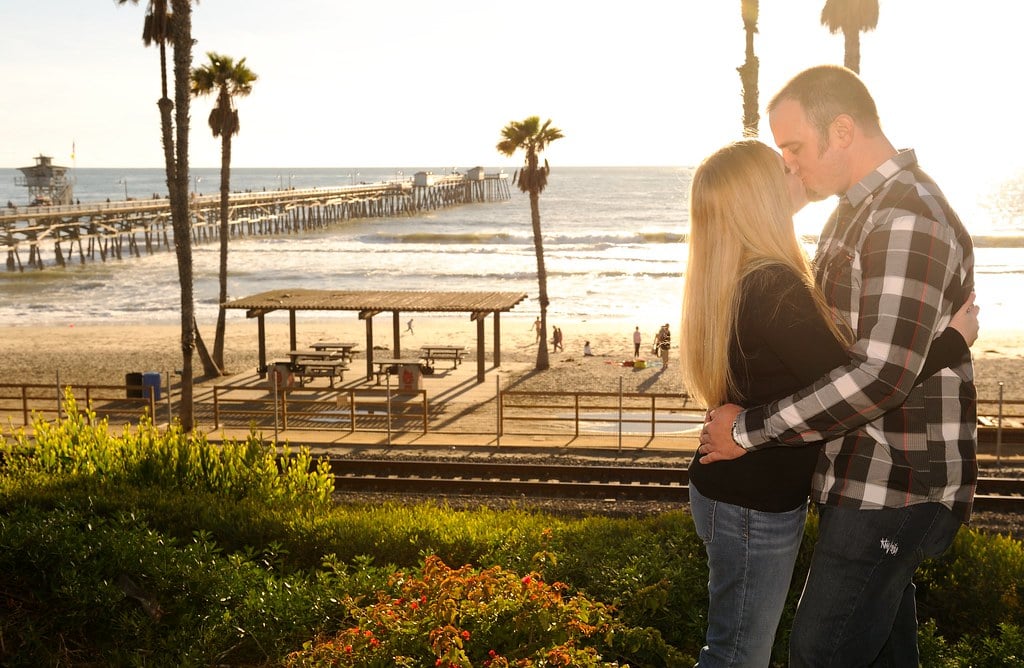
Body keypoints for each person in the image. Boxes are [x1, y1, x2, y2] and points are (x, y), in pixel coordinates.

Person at [698, 65, 978, 666]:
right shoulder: (854, 212)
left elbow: (878, 375)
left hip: (894, 480)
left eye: (794, 147)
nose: (790, 164)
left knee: (819, 652)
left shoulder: (905, 217)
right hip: (859, 470)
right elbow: (837, 351)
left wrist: (746, 431)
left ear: (843, 132)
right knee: (882, 652)